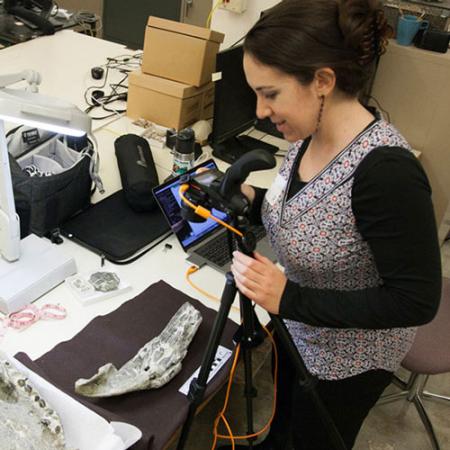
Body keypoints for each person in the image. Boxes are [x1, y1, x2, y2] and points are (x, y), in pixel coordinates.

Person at [230, 0, 442, 449]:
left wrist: (291, 297)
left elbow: (415, 300)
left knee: (315, 439)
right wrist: (253, 200)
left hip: (349, 363)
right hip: (299, 332)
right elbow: (319, 213)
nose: (261, 110)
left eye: (270, 93)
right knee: (284, 426)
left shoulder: (386, 173)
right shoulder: (310, 132)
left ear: (323, 81)